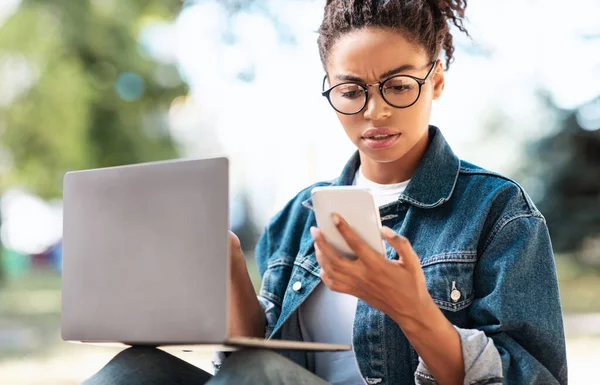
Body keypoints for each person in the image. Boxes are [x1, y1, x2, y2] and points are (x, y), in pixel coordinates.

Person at [84, 0, 568, 384]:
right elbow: (255, 361)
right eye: (352, 91)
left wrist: (413, 310)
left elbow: (535, 380)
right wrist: (228, 265)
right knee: (135, 368)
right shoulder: (299, 214)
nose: (375, 112)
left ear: (436, 81)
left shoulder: (498, 212)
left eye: (399, 86)